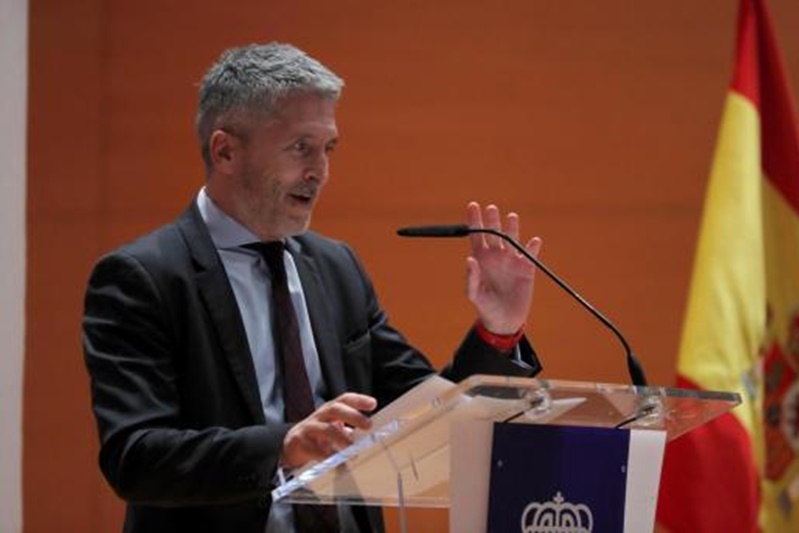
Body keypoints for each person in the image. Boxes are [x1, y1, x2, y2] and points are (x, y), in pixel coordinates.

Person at [82, 42, 544, 533]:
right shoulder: (143, 279)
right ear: (226, 151)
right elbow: (136, 457)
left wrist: (497, 331)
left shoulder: (336, 268)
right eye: (300, 147)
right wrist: (283, 446)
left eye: (328, 149)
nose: (320, 172)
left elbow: (424, 412)